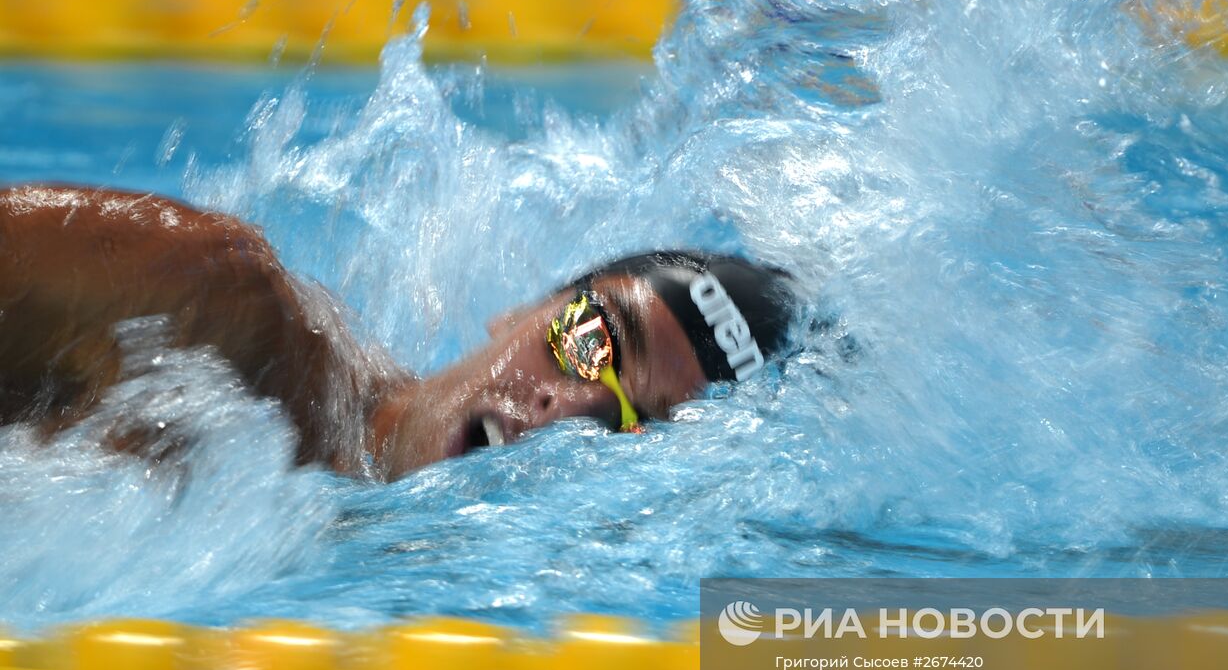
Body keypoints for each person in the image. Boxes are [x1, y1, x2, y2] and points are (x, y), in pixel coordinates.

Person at [0, 183, 798, 480]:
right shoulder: (212, 303)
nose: (571, 406)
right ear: (523, 310)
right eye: (596, 341)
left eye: (634, 423)